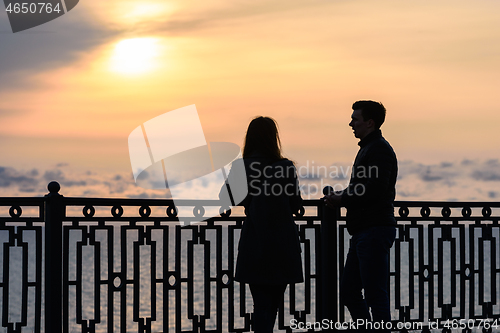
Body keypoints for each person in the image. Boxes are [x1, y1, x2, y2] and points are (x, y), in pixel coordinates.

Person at [220, 116, 303, 333]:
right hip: (283, 243)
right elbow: (295, 203)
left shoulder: (242, 167)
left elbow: (226, 197)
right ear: (273, 138)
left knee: (260, 303)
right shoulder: (286, 167)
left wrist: (250, 200)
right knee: (273, 303)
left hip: (255, 242)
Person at [324, 100, 397, 331]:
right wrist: (343, 196)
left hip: (373, 230)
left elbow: (373, 188)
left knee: (374, 295)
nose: (351, 123)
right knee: (351, 291)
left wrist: (342, 199)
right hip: (365, 231)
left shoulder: (378, 150)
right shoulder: (370, 148)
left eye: (355, 119)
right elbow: (365, 187)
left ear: (370, 122)